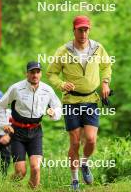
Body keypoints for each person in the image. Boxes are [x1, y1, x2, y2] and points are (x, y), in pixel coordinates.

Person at [47, 15, 112, 190]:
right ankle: (74, 180)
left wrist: (105, 82)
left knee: (91, 140)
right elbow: (51, 73)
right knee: (75, 142)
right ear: (74, 30)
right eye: (80, 30)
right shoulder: (63, 51)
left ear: (89, 30)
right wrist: (61, 84)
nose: (83, 33)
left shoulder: (98, 48)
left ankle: (84, 163)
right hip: (71, 101)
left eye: (86, 29)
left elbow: (106, 66)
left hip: (91, 99)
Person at [0, 61, 62, 189]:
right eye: (32, 72)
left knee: (36, 168)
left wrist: (54, 112)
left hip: (36, 132)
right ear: (27, 73)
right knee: (20, 172)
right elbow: (0, 106)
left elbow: (58, 106)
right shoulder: (16, 88)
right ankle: (9, 185)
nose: (35, 75)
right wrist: (4, 124)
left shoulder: (47, 90)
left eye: (38, 72)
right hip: (17, 132)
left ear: (41, 74)